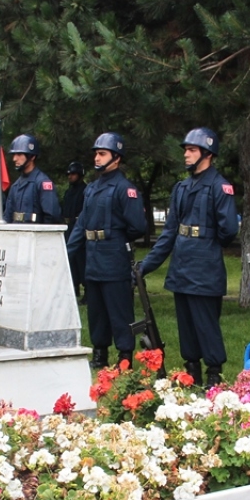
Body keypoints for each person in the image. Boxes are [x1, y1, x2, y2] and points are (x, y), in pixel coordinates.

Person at [137, 127, 239, 387]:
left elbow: (228, 230)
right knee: (186, 323)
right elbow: (169, 232)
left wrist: (206, 244)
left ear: (207, 153)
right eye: (186, 150)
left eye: (192, 150)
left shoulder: (220, 187)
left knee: (206, 323)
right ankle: (191, 371)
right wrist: (146, 266)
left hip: (205, 267)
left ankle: (213, 374)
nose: (186, 154)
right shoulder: (181, 187)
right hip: (182, 266)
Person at [66, 132, 147, 368]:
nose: (97, 158)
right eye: (96, 154)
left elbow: (137, 226)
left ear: (116, 157)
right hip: (93, 256)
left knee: (119, 310)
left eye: (102, 154)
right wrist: (66, 252)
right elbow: (82, 224)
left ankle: (124, 356)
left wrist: (116, 238)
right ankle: (99, 354)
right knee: (97, 311)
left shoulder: (124, 188)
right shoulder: (91, 189)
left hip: (114, 257)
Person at [2, 134, 62, 224]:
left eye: (19, 154)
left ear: (32, 156)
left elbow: (52, 216)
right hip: (16, 231)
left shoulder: (42, 183)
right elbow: (8, 216)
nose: (14, 159)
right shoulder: (15, 186)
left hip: (36, 232)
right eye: (14, 154)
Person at [62, 161, 88, 302]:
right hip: (68, 228)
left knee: (81, 260)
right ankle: (73, 287)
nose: (70, 176)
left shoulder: (85, 191)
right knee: (70, 260)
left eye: (73, 174)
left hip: (79, 228)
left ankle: (87, 290)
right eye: (69, 174)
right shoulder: (68, 192)